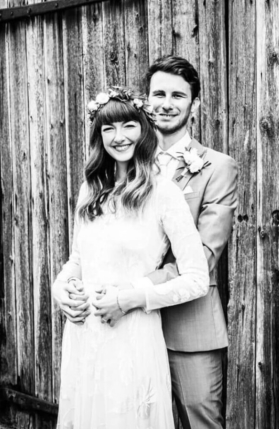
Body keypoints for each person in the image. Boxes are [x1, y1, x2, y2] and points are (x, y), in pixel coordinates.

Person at [55, 56, 238, 429]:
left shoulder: (216, 167)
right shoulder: (115, 167)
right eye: (158, 93)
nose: (166, 102)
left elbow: (202, 256)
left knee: (199, 423)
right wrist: (65, 286)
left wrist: (129, 293)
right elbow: (85, 253)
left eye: (177, 95)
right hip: (114, 328)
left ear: (194, 105)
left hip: (189, 326)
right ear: (146, 102)